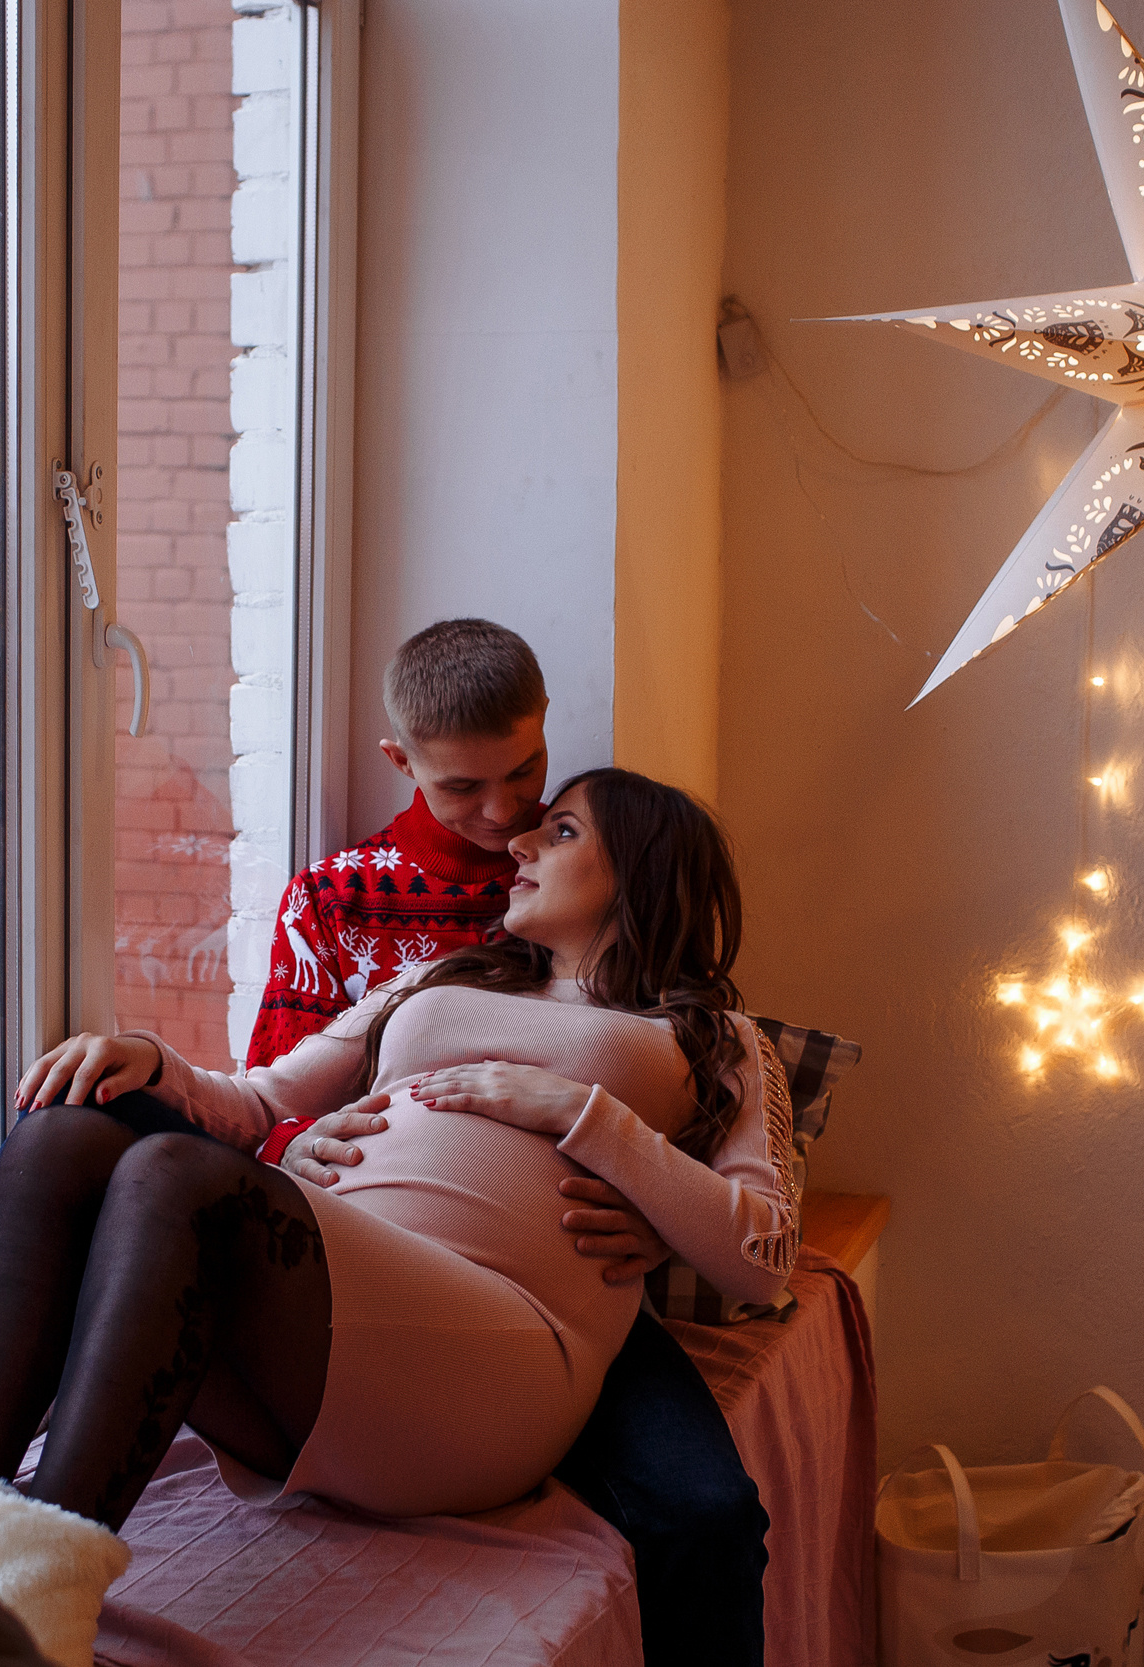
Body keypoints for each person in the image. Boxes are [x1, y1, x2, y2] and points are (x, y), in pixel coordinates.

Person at [0, 769, 795, 1657]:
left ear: (645, 869)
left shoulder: (715, 1035)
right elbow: (259, 1097)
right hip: (335, 1295)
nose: (519, 842)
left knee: (176, 1174)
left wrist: (582, 1114)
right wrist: (143, 1054)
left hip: (498, 1347)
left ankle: (36, 1613)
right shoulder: (445, 973)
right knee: (70, 1128)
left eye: (560, 831)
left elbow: (763, 1253)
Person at [246, 620, 774, 1665]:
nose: (506, 821)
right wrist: (292, 1154)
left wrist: (656, 1215)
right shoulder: (336, 897)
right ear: (402, 762)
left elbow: (693, 1094)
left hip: (565, 1279)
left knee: (705, 1511)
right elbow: (271, 1090)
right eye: (462, 790)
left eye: (526, 775)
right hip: (377, 1244)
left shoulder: (579, 868)